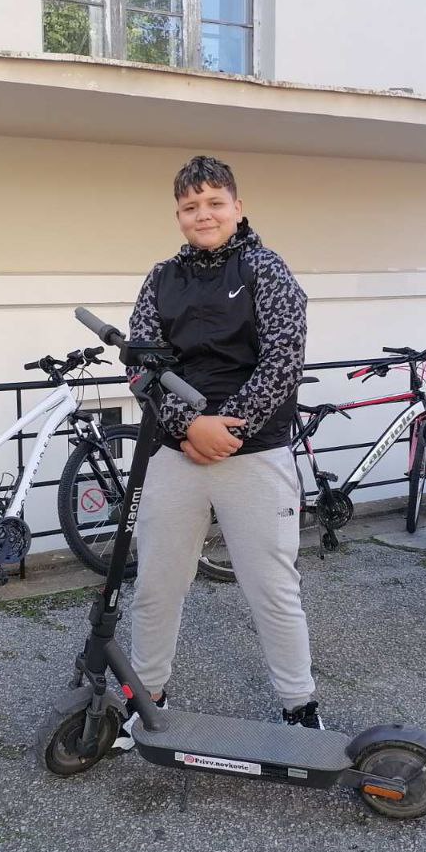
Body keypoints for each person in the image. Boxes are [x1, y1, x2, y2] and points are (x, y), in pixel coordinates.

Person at [114, 155, 320, 750]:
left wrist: (229, 428)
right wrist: (190, 427)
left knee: (272, 589)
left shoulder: (266, 270)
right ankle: (147, 698)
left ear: (237, 207)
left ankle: (299, 707)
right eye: (189, 206)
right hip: (174, 452)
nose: (202, 214)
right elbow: (141, 365)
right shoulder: (160, 279)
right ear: (178, 215)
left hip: (254, 454)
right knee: (157, 586)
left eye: (213, 203)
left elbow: (283, 359)